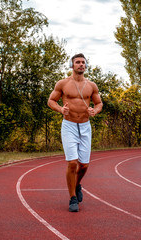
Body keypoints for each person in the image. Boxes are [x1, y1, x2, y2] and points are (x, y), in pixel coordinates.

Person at [47, 53, 103, 212]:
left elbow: (99, 103)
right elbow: (51, 101)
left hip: (85, 126)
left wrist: (95, 111)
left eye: (83, 62)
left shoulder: (92, 85)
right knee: (72, 162)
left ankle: (77, 184)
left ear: (86, 66)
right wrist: (60, 109)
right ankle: (72, 198)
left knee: (84, 165)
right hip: (69, 125)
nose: (80, 64)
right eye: (77, 62)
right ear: (72, 65)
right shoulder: (63, 83)